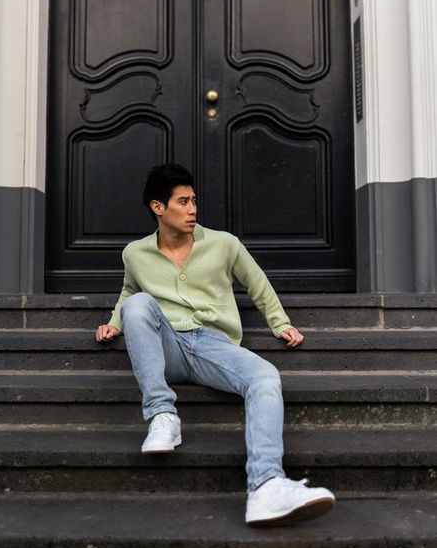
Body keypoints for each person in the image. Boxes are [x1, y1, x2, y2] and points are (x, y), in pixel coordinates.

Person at [95, 163, 335, 526]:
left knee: (265, 377)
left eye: (194, 201)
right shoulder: (135, 253)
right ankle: (162, 415)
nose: (193, 210)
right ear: (159, 208)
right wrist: (114, 324)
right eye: (183, 202)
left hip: (212, 346)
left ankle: (266, 485)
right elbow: (130, 291)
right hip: (166, 347)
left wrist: (281, 324)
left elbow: (258, 284)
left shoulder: (224, 244)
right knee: (138, 304)